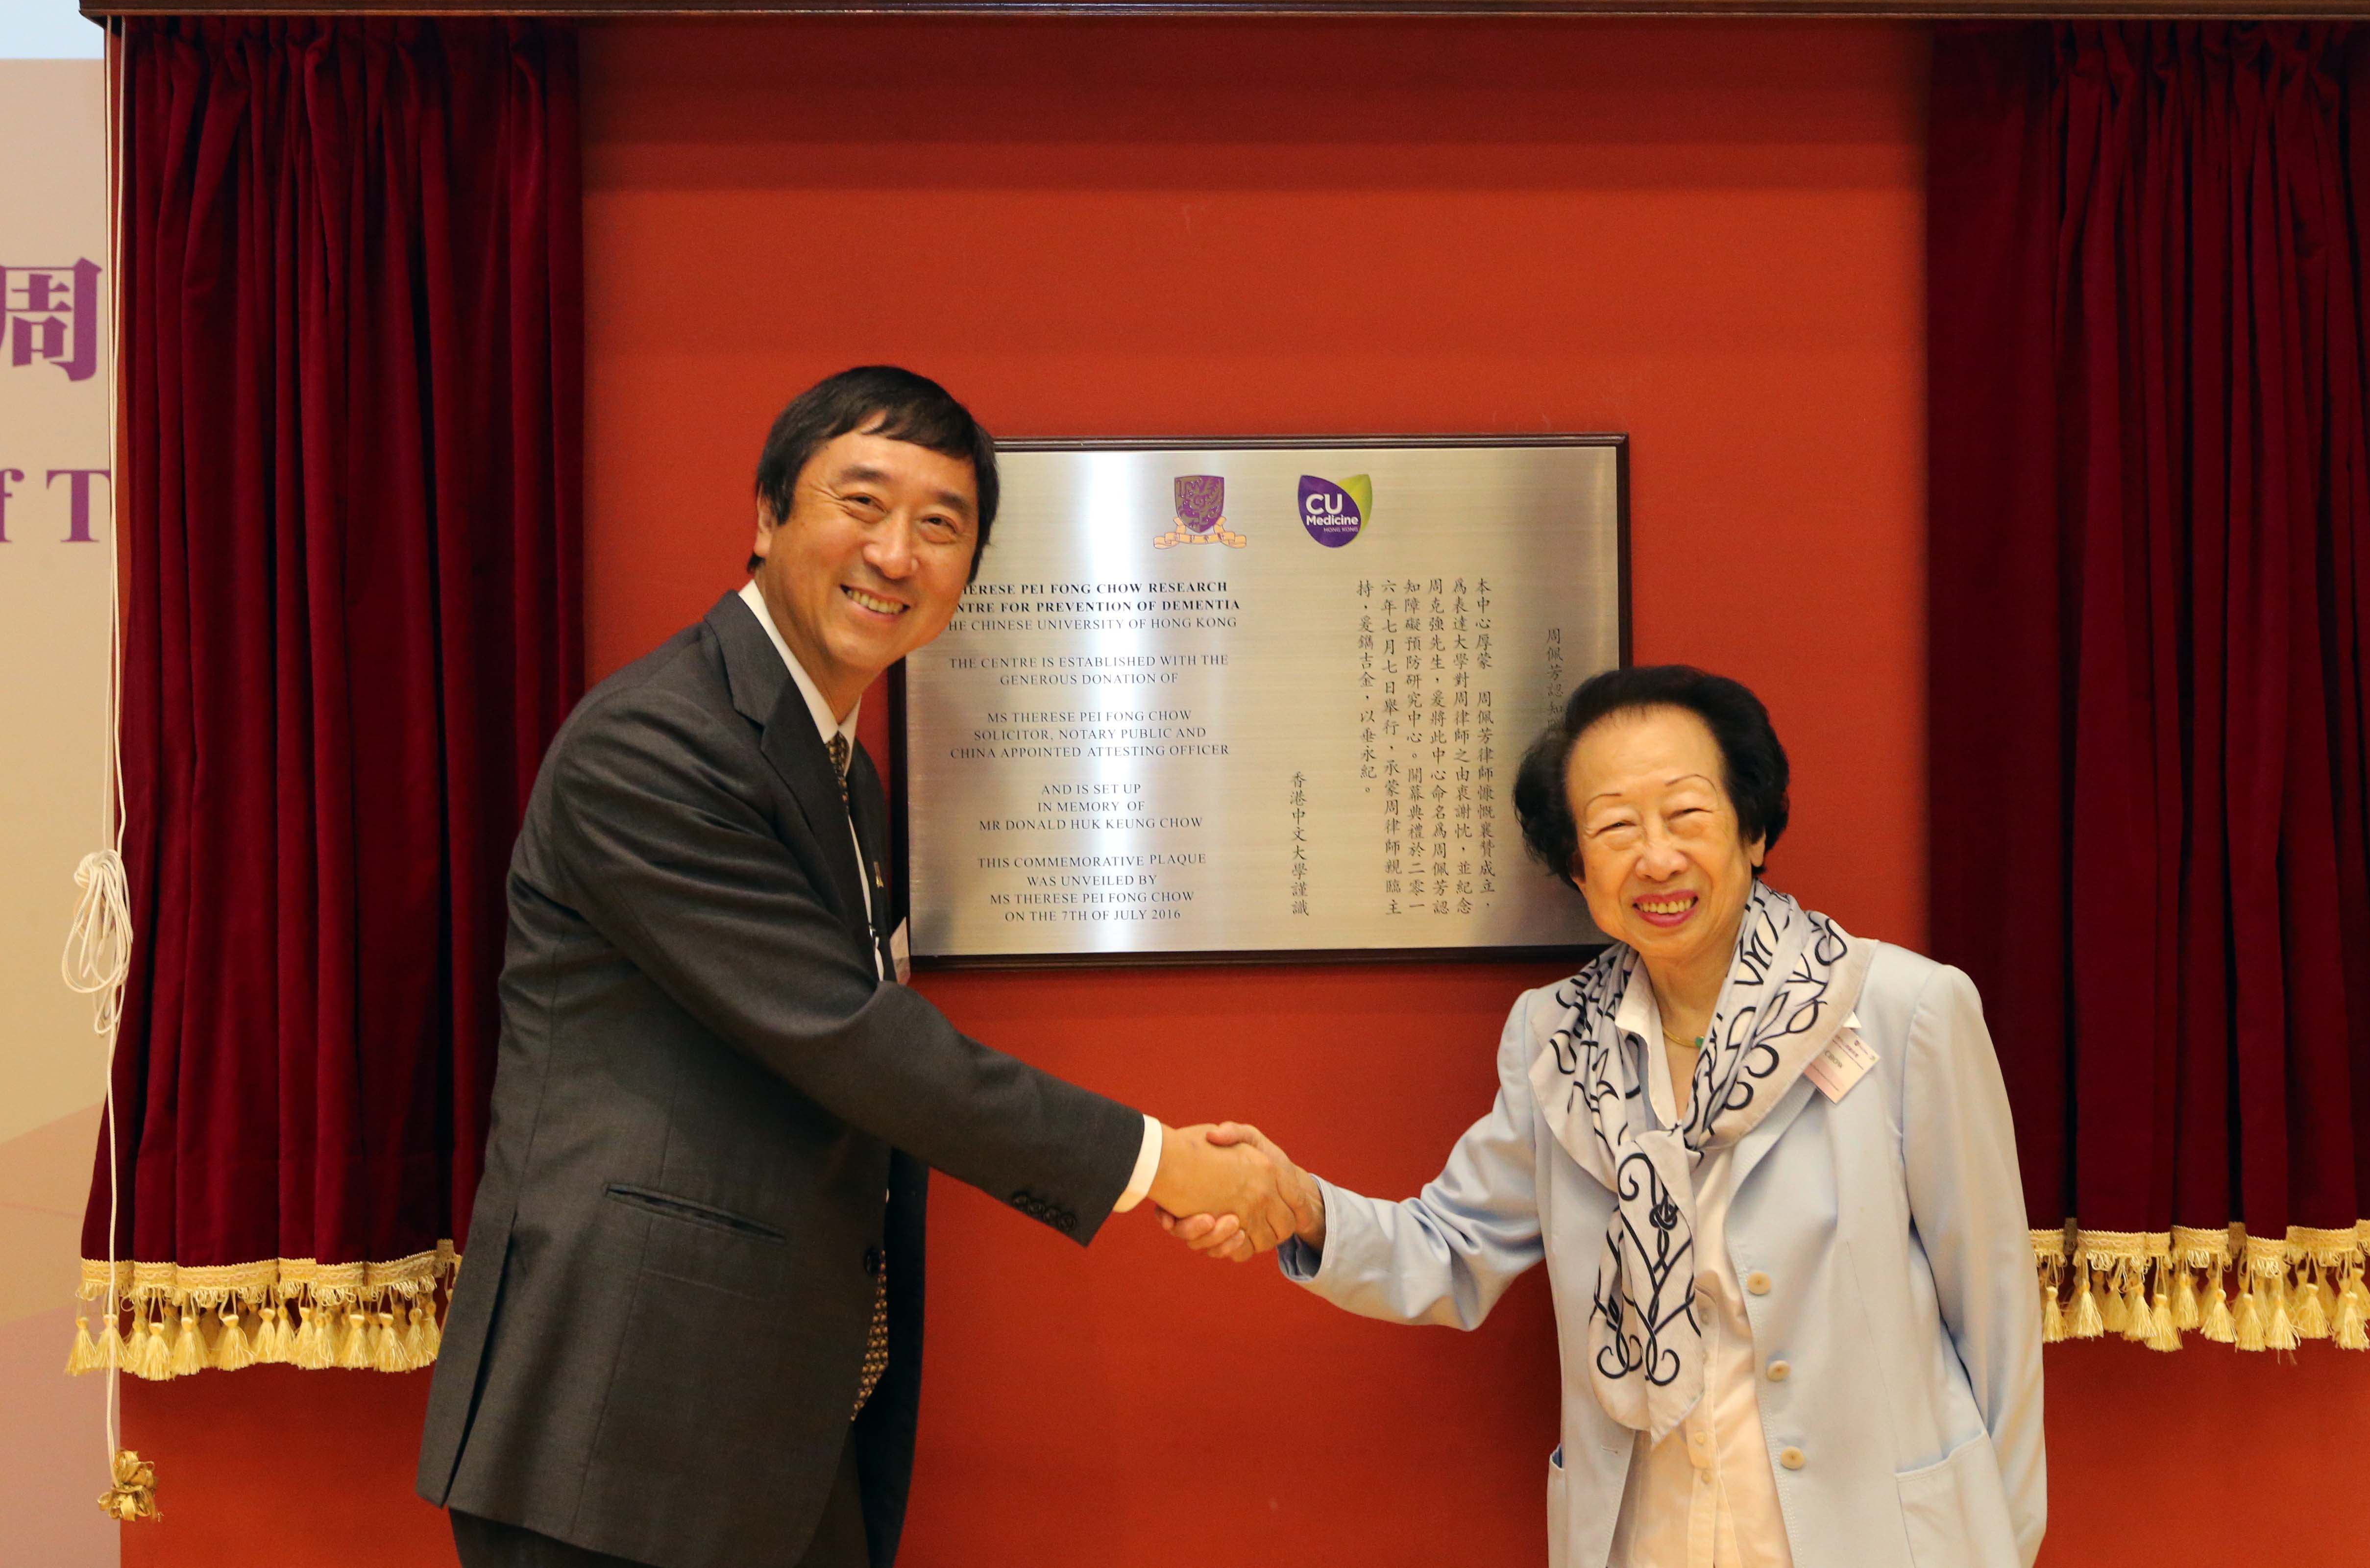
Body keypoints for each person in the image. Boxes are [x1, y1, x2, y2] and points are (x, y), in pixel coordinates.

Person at [417, 366, 1308, 1568]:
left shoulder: (843, 770)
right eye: (862, 503)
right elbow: (851, 1038)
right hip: (625, 1419)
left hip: (768, 1421)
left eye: (941, 526)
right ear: (767, 516)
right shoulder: (658, 742)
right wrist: (1161, 1165)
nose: (897, 554)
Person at [1162, 665, 2046, 1568]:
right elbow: (1452, 1247)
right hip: (1653, 1536)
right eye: (1615, 827)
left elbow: (1994, 1310)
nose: (1655, 858)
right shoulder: (1555, 1040)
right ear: (1579, 868)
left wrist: (1995, 1543)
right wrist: (1300, 1203)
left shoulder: (1902, 1010)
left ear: (1754, 827)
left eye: (1686, 815)